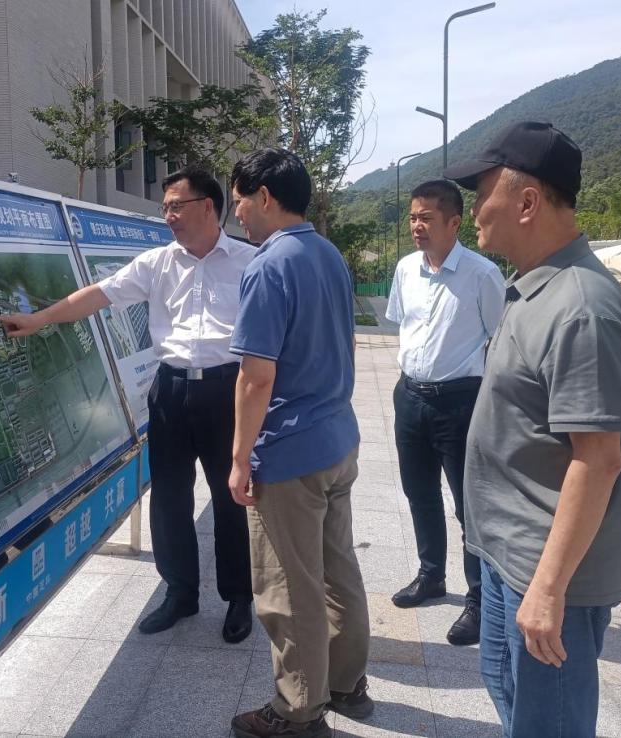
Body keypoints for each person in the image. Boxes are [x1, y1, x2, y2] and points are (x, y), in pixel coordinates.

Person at [0, 165, 255, 643]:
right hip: (171, 389)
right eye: (165, 207)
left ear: (207, 207)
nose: (168, 215)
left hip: (227, 390)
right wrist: (40, 319)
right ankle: (180, 593)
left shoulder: (249, 262)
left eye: (176, 206)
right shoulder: (156, 263)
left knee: (229, 496)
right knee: (169, 497)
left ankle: (239, 597)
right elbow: (98, 295)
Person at [443, 121, 621, 737]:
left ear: (527, 201)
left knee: (548, 724)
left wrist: (550, 589)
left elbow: (599, 459)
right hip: (508, 555)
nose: (475, 212)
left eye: (483, 194)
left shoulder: (581, 307)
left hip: (547, 572)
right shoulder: (534, 288)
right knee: (509, 694)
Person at [226, 148, 371, 738]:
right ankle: (347, 683)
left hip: (289, 451)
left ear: (264, 196)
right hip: (337, 438)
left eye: (239, 200)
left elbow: (256, 377)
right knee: (337, 569)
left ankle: (298, 710)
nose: (237, 213)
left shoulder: (268, 265)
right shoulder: (327, 253)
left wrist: (240, 458)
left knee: (288, 585)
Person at [386, 180, 505, 646]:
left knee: (468, 504)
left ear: (454, 222)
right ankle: (431, 575)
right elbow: (407, 326)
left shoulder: (482, 274)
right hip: (410, 396)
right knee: (419, 492)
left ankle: (480, 599)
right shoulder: (405, 269)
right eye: (413, 217)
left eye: (427, 218)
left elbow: (501, 340)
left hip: (461, 402)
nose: (417, 226)